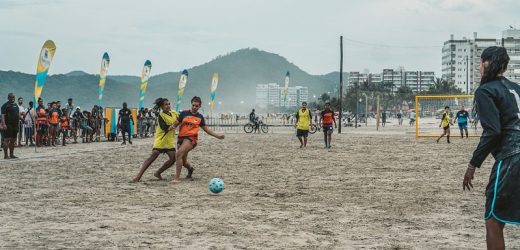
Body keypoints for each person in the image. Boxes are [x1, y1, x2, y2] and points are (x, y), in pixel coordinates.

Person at [462, 46, 520, 249]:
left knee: (493, 220)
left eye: (480, 62)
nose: (479, 66)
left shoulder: (485, 90)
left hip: (512, 156)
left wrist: (473, 164)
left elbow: (493, 132)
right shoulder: (517, 88)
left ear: (487, 63)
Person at [171, 96, 224, 184]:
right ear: (191, 104)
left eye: (197, 106)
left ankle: (177, 178)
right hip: (181, 138)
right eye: (193, 105)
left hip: (191, 139)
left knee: (178, 154)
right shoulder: (184, 113)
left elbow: (207, 130)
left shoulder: (200, 117)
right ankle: (190, 169)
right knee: (183, 162)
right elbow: (177, 122)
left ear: (199, 106)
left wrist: (217, 136)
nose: (194, 107)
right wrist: (172, 126)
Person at [132, 98, 179, 182]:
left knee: (173, 159)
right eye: (166, 104)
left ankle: (158, 173)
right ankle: (138, 177)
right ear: (161, 106)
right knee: (154, 155)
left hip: (169, 141)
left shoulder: (174, 113)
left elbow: (181, 119)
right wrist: (174, 125)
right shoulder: (161, 115)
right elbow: (165, 128)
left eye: (169, 104)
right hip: (161, 139)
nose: (168, 106)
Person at [1, 93, 20, 159]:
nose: (12, 98)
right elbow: (2, 115)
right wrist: (4, 124)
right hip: (8, 124)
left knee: (13, 139)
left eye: (13, 97)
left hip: (15, 124)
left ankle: (11, 154)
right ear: (8, 98)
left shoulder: (15, 105)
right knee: (7, 139)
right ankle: (6, 155)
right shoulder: (5, 105)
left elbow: (17, 114)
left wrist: (23, 119)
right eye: (11, 97)